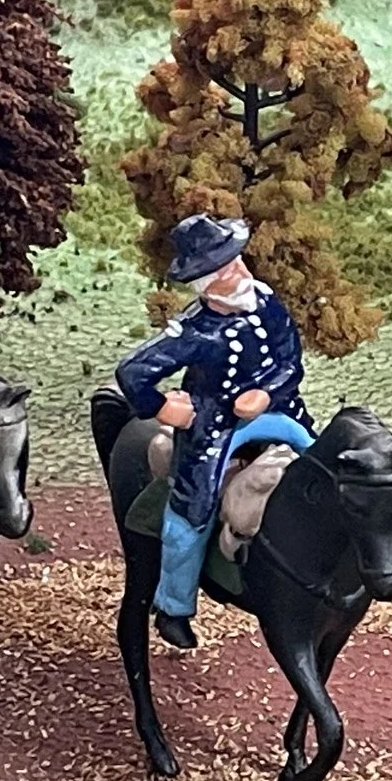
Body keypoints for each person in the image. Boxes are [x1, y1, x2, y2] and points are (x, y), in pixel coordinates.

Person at [114, 214, 312, 650]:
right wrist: (165, 407)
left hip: (279, 408)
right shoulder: (193, 331)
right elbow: (132, 372)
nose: (238, 274)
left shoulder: (267, 303)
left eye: (236, 263)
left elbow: (290, 361)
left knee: (319, 465)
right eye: (224, 271)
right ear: (203, 283)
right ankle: (175, 605)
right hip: (215, 424)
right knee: (192, 510)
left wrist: (267, 393)